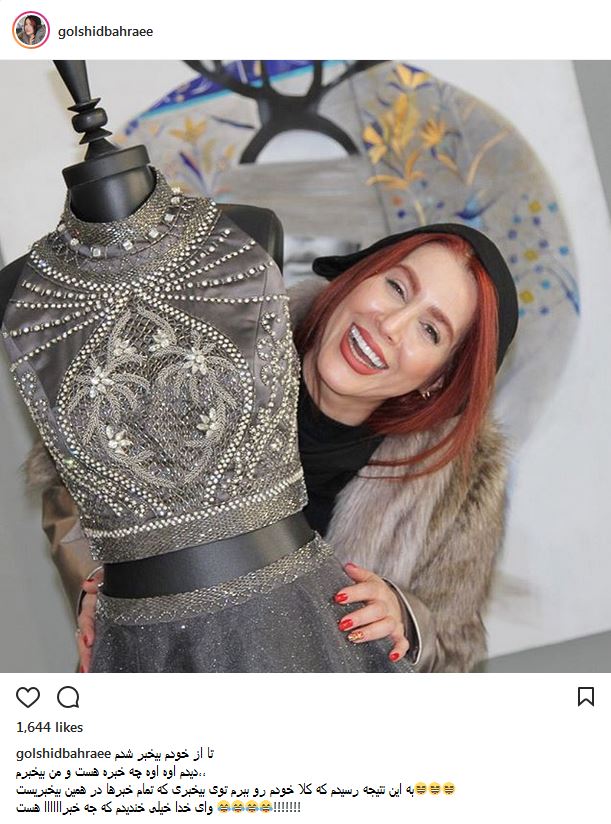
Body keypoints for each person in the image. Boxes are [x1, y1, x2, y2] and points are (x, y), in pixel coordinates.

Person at [26, 218, 518, 673]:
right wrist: (103, 584)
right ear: (359, 276)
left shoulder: (460, 482)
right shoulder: (213, 343)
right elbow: (69, 478)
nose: (391, 326)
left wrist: (404, 620)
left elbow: (456, 647)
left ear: (438, 378)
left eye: (430, 330)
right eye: (396, 287)